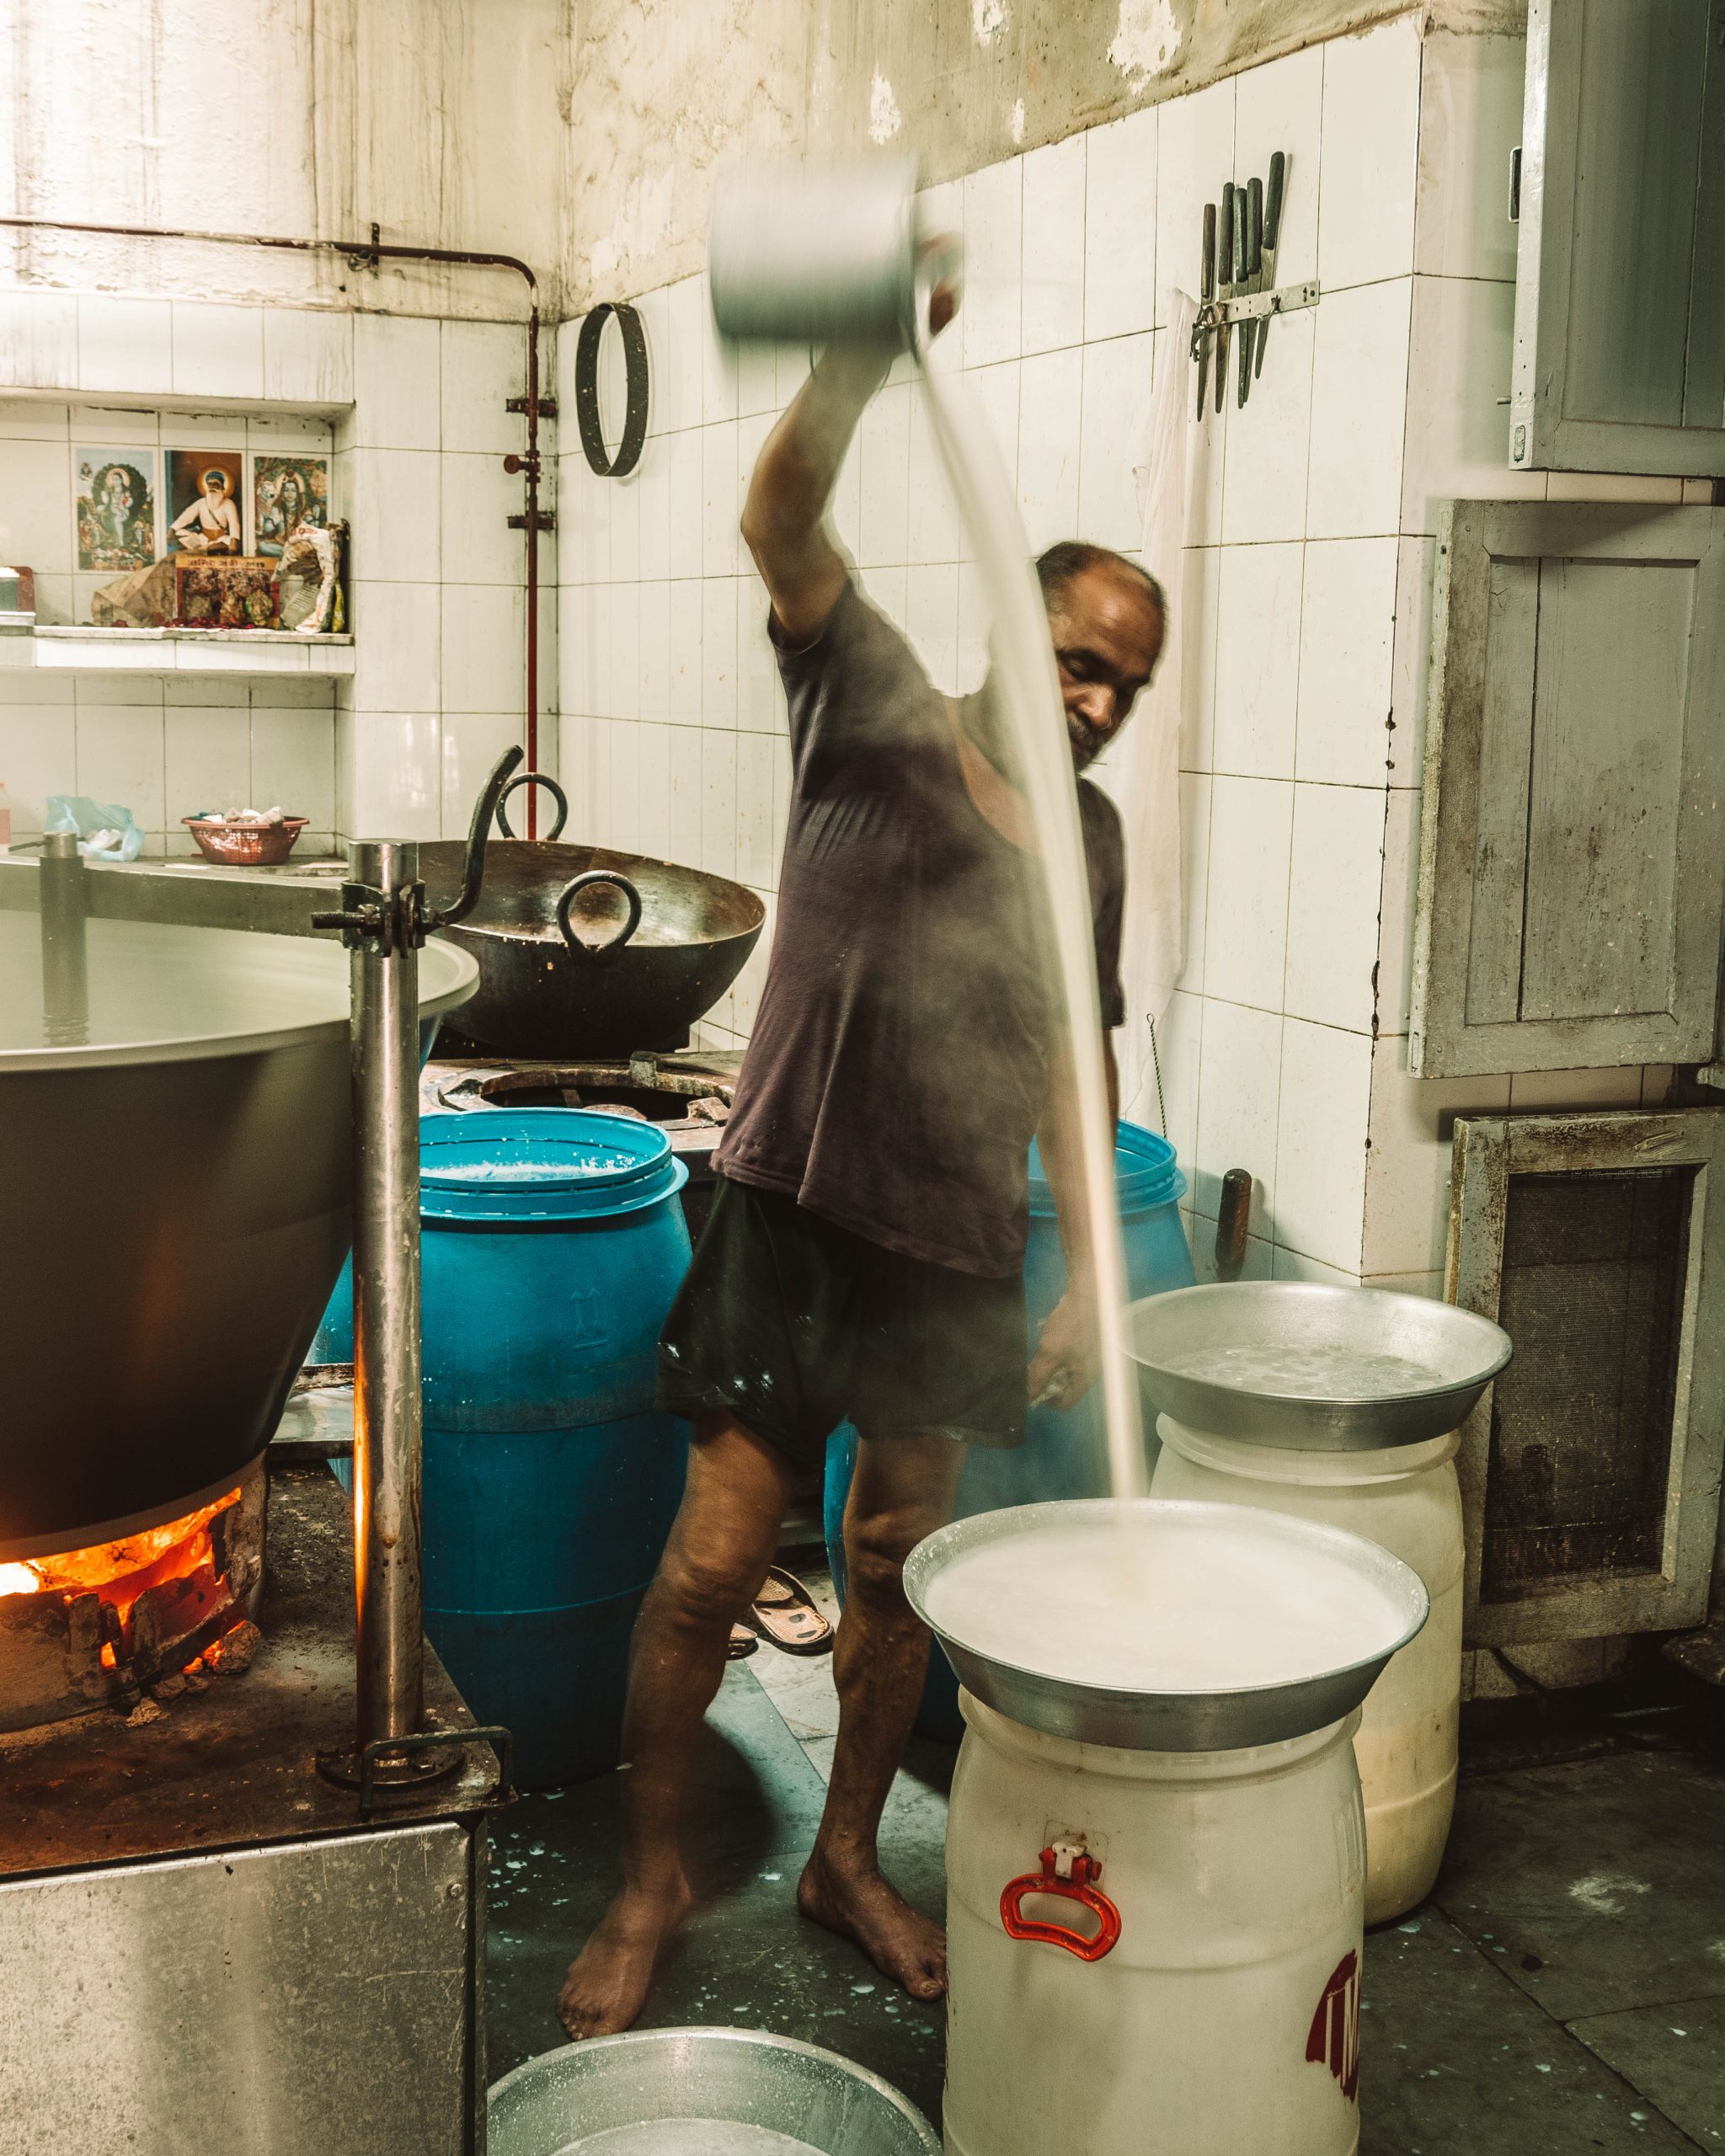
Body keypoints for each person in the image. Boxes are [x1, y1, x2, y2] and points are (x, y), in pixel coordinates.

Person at [558, 284, 1165, 2042]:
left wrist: (1085, 1278)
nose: (1094, 696)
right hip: (793, 1203)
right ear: (1008, 622)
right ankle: (653, 1874)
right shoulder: (875, 690)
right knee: (706, 1563)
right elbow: (777, 517)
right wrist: (859, 357)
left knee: (897, 1566)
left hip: (956, 1244)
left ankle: (844, 1857)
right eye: (1073, 655)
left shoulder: (1090, 837)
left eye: (1122, 681)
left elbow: (1069, 1046)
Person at [170, 467, 242, 555]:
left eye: (216, 484)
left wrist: (234, 541)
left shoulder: (229, 504)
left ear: (222, 487)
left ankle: (201, 551)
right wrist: (172, 529)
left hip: (221, 539)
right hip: (203, 540)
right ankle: (203, 550)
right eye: (210, 484)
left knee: (227, 543)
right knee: (180, 533)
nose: (212, 487)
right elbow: (186, 516)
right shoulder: (201, 502)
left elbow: (234, 524)